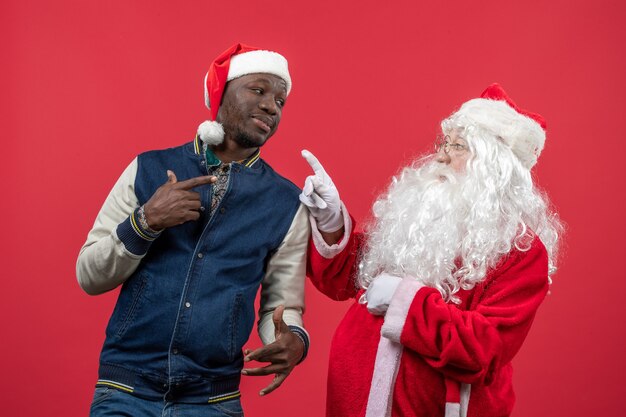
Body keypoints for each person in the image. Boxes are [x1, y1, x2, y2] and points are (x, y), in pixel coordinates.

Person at [300, 84, 563, 417]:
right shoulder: (421, 218)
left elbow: (485, 348)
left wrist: (404, 302)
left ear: (493, 167)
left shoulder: (520, 250)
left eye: (457, 146)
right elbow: (352, 277)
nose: (440, 155)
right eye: (444, 143)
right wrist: (330, 219)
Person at [77, 43, 311, 417]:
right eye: (259, 90)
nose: (272, 106)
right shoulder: (147, 168)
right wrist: (145, 222)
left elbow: (282, 307)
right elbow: (89, 274)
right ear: (222, 93)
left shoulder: (286, 202)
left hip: (212, 400)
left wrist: (293, 339)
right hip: (125, 389)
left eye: (281, 101)